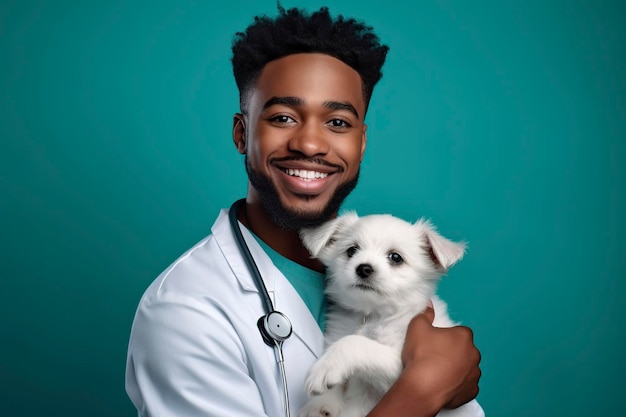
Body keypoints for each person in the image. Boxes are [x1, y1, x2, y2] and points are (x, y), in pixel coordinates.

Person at [125, 6, 483, 417]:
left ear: (361, 143)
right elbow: (421, 392)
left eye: (337, 123)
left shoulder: (381, 283)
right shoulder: (184, 310)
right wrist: (423, 389)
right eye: (282, 117)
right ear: (242, 133)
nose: (310, 144)